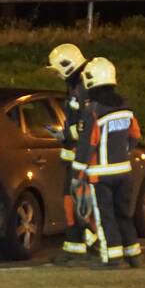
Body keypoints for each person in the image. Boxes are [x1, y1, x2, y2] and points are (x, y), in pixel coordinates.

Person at [72, 57, 143, 269]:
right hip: (124, 171)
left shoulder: (93, 110)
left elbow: (87, 144)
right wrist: (123, 152)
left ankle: (111, 257)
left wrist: (77, 172)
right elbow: (135, 135)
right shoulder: (126, 106)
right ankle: (133, 254)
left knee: (106, 217)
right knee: (124, 214)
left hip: (100, 174)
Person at [45, 43, 96, 266]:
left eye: (57, 70)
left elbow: (83, 126)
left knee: (74, 200)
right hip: (79, 154)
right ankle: (89, 242)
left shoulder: (81, 88)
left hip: (81, 155)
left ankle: (81, 245)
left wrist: (64, 133)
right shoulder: (81, 84)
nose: (56, 74)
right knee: (78, 200)